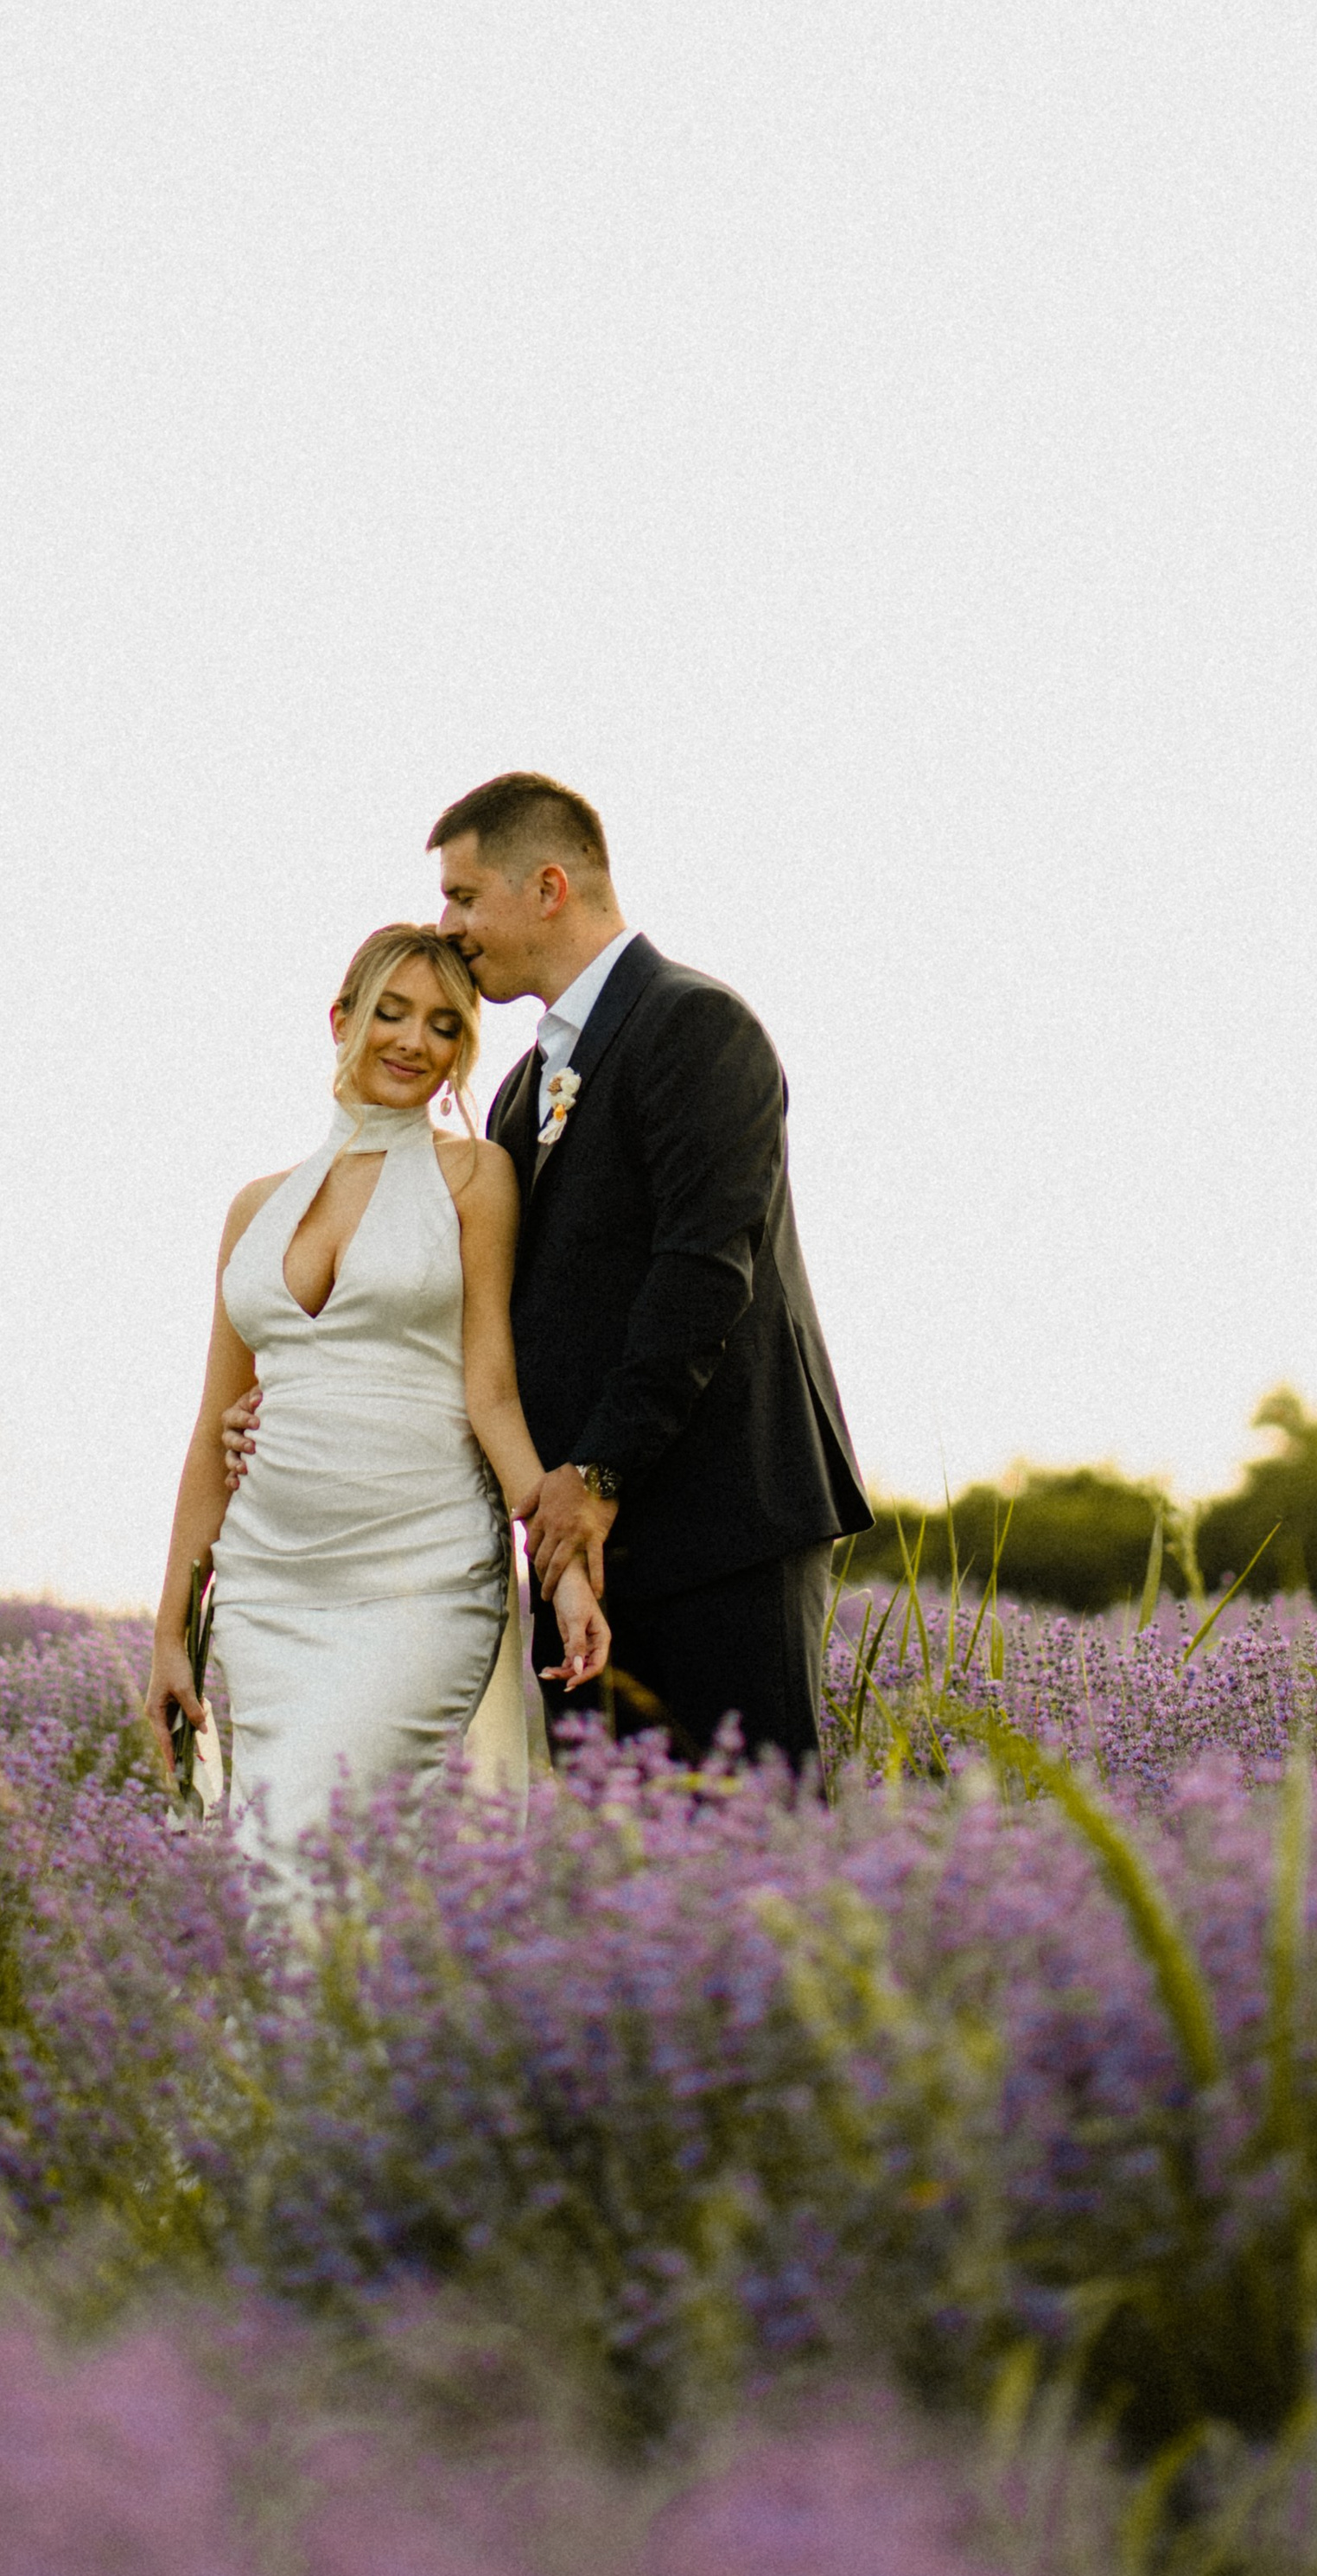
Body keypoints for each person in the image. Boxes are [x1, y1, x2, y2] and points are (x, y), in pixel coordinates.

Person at [228, 779, 869, 1776]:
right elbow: (482, 1326)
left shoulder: (697, 1026)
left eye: (463, 895)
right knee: (612, 1894)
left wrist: (600, 1476)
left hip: (720, 1524)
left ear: (549, 887)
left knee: (751, 1866)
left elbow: (703, 1275)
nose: (450, 925)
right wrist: (304, 1403)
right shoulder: (523, 1092)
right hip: (577, 1541)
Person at [143, 922, 609, 1903]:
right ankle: (321, 2056)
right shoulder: (252, 1207)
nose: (413, 1040)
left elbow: (490, 1391)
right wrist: (170, 1634)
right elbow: (209, 1427)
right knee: (276, 1868)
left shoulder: (474, 1176)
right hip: (271, 1592)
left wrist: (561, 1566)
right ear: (340, 1019)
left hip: (419, 1575)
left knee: (312, 1847)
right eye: (390, 1011)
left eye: (444, 1024)